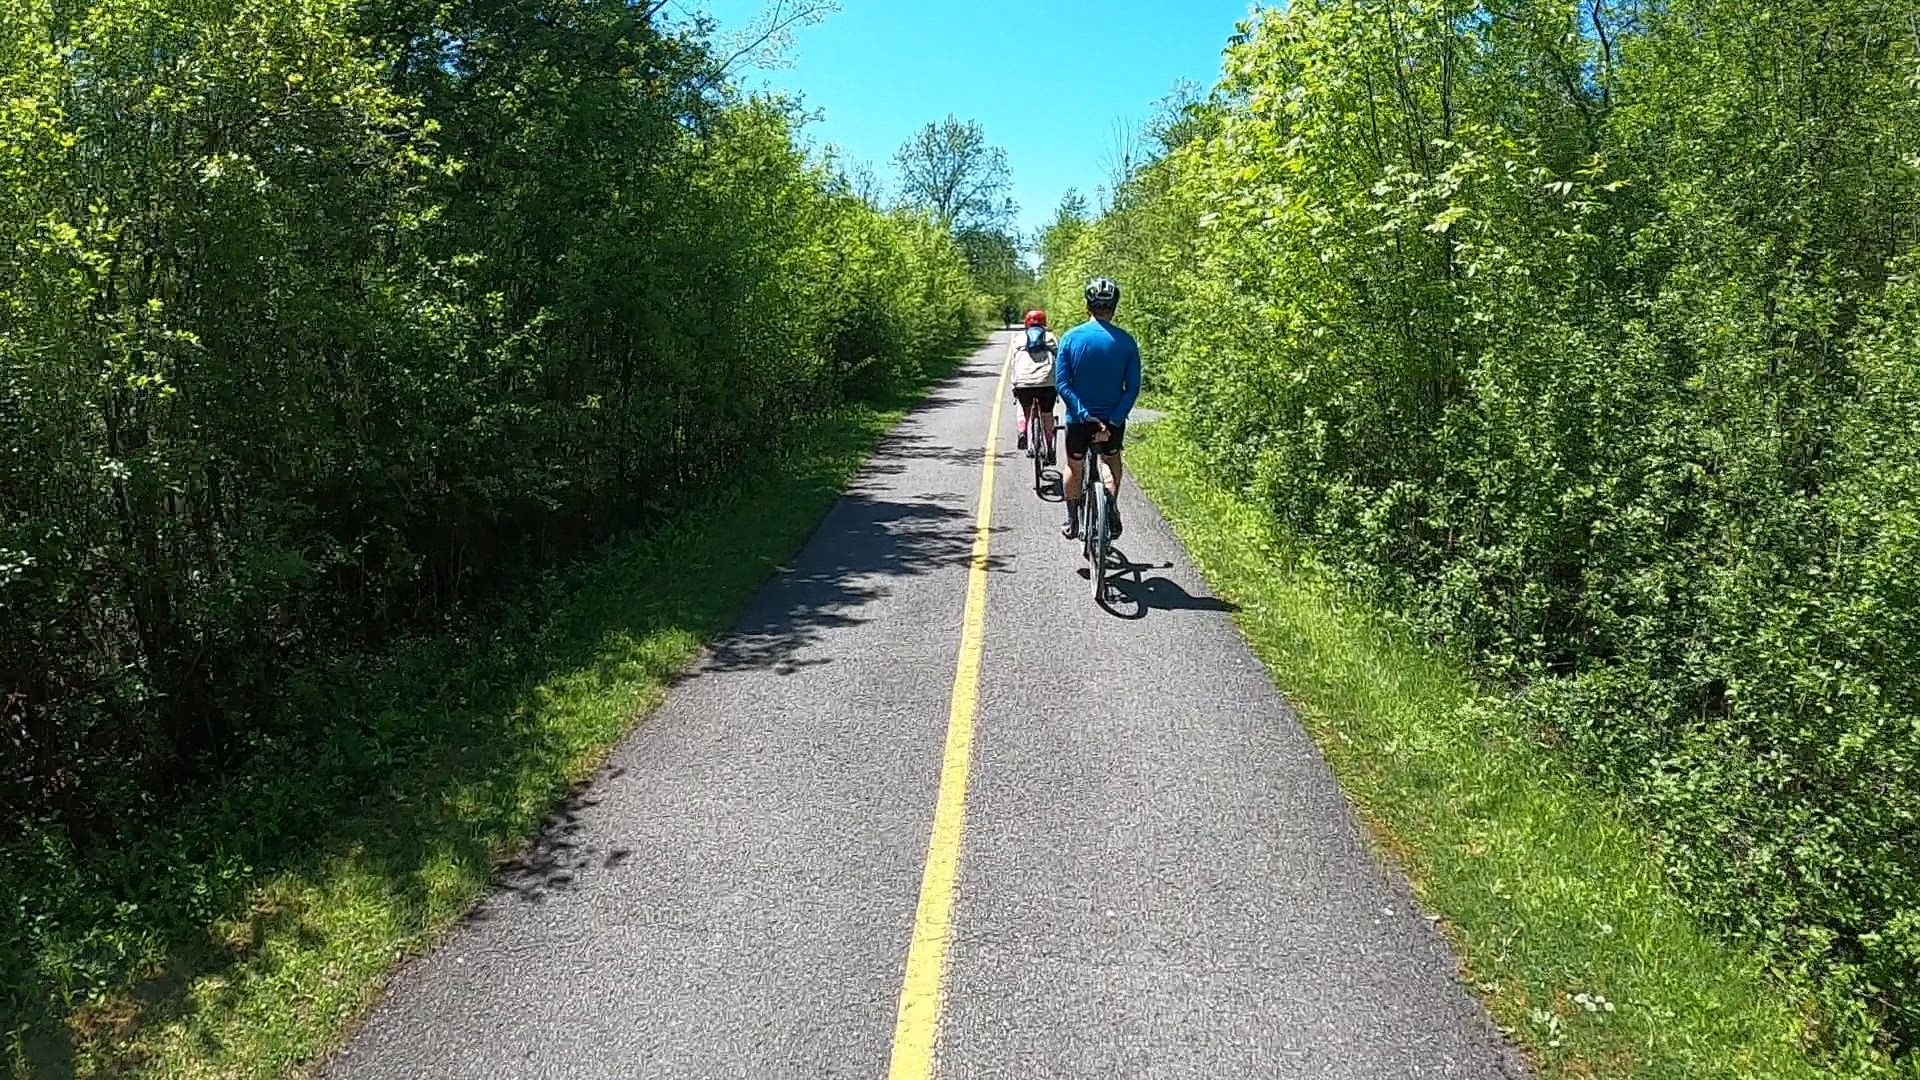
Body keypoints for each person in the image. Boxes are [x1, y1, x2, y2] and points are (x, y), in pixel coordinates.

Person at [1055, 277, 1140, 541]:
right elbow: (1132, 388)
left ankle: (1072, 520)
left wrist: (1083, 414)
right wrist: (1113, 419)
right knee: (1112, 461)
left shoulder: (1070, 338)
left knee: (1074, 466)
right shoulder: (1127, 342)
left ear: (1087, 306)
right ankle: (1110, 507)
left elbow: (1062, 383)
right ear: (1114, 307)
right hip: (1112, 422)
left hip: (1080, 422)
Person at [1011, 310, 1058, 454]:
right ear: (1044, 322)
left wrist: (1014, 385)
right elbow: (1060, 359)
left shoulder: (1018, 339)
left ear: (1026, 323)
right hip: (1047, 384)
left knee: (1024, 408)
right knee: (1047, 414)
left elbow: (1014, 364)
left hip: (1024, 384)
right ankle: (1049, 447)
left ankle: (1023, 431)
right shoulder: (1050, 338)